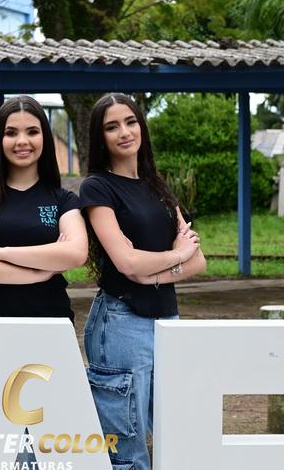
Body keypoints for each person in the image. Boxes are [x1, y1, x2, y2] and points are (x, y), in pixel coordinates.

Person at [79, 93, 207, 470]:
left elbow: (199, 260)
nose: (124, 132)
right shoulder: (97, 188)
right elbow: (127, 263)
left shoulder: (157, 185)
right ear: (100, 137)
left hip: (168, 319)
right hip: (122, 322)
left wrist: (159, 269)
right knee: (128, 453)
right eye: (112, 126)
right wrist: (176, 256)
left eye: (131, 122)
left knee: (174, 439)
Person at [0, 95, 88, 373]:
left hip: (51, 328)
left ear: (45, 138)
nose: (22, 141)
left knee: (51, 405)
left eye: (32, 131)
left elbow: (75, 253)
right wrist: (40, 271)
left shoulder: (64, 200)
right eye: (11, 133)